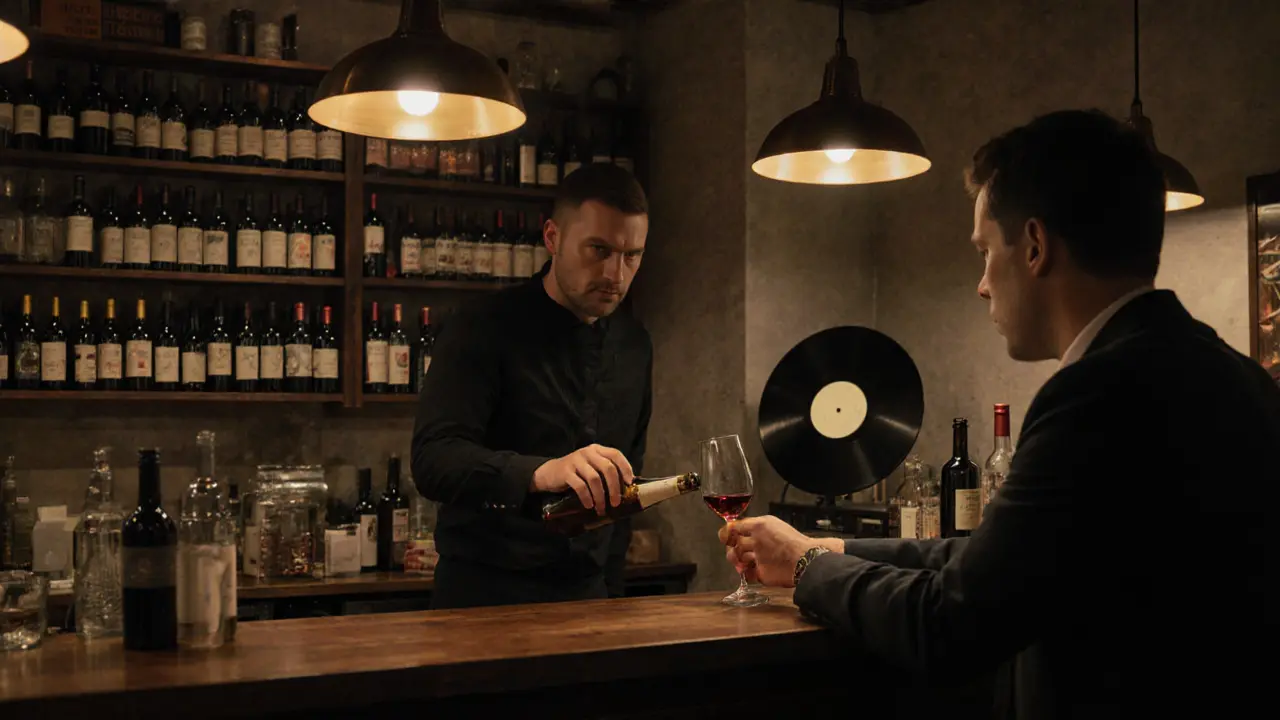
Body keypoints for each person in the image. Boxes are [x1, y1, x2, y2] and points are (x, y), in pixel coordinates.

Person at [720, 110, 1276, 719]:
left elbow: (949, 623)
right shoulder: (1238, 375)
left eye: (985, 251)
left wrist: (806, 567)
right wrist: (831, 545)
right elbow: (994, 560)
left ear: (1034, 246)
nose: (982, 284)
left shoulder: (1097, 395)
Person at [413, 163, 652, 609]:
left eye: (631, 255)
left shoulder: (634, 345)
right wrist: (543, 472)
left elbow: (624, 496)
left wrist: (615, 603)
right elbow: (433, 460)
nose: (616, 275)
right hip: (484, 598)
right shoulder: (481, 326)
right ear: (553, 238)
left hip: (589, 598)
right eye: (598, 250)